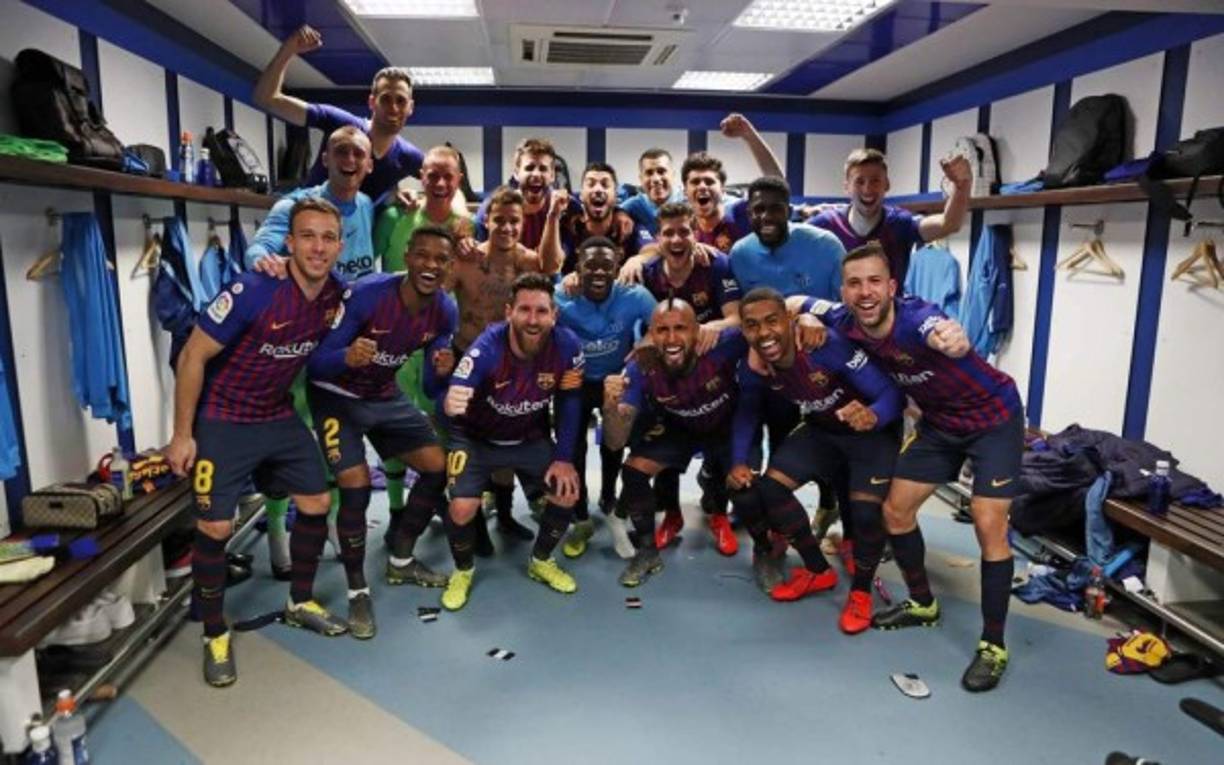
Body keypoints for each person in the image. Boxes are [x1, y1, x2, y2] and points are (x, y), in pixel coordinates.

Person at [810, 241, 1024, 692]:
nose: (864, 292)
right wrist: (806, 317)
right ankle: (923, 604)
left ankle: (993, 644)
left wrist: (955, 338)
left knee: (988, 524)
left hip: (994, 419)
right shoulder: (844, 320)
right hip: (940, 426)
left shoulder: (916, 318)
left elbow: (942, 329)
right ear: (843, 292)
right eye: (854, 284)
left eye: (874, 282)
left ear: (892, 287)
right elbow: (798, 303)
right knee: (895, 511)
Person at [164, 198, 349, 688]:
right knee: (217, 527)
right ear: (288, 243)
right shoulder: (252, 288)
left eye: (328, 237)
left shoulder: (336, 297)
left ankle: (299, 599)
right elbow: (190, 357)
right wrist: (182, 435)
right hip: (223, 417)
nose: (318, 247)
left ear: (340, 245)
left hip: (275, 413)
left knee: (315, 502)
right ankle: (213, 632)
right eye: (308, 236)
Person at [304, 225, 459, 639]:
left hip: (382, 395)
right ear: (407, 257)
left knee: (436, 466)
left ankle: (401, 560)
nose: (430, 265)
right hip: (335, 394)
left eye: (440, 260)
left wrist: (442, 372)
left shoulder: (445, 310)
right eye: (423, 256)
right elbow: (316, 364)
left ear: (449, 266)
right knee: (354, 485)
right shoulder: (368, 293)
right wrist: (346, 356)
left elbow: (429, 387)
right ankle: (357, 590)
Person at [732, 288, 902, 634]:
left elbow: (891, 394)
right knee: (770, 488)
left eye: (771, 321)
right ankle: (817, 570)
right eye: (752, 326)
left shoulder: (825, 344)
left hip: (872, 431)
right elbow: (747, 413)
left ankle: (860, 593)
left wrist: (873, 415)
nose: (764, 333)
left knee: (867, 511)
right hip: (824, 429)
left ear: (789, 320)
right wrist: (737, 459)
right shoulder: (753, 365)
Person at [438, 273, 585, 610]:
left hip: (528, 436)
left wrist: (563, 458)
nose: (533, 320)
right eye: (524, 310)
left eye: (541, 311)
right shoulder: (487, 347)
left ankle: (541, 561)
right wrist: (451, 401)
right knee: (462, 508)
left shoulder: (568, 347)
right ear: (509, 312)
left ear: (554, 315)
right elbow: (459, 385)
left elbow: (571, 403)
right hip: (475, 438)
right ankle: (462, 571)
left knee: (567, 492)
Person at [601, 300, 755, 586]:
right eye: (662, 330)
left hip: (726, 426)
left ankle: (725, 521)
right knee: (633, 471)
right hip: (680, 428)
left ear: (697, 330)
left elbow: (766, 323)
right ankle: (648, 551)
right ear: (651, 335)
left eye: (681, 328)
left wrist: (811, 320)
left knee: (747, 486)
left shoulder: (722, 343)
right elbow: (614, 441)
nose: (671, 339)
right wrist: (610, 405)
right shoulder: (641, 366)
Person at [450, 186, 554, 540]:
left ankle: (506, 515)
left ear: (523, 223)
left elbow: (553, 266)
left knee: (508, 443)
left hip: (514, 368)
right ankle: (474, 522)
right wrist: (437, 346)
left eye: (514, 221)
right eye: (499, 221)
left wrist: (553, 217)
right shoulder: (466, 259)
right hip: (469, 361)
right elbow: (434, 297)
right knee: (475, 444)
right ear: (486, 221)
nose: (507, 228)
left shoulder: (527, 261)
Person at [638, 201, 743, 551]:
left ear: (695, 232)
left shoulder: (715, 265)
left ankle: (718, 513)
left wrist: (713, 326)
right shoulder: (648, 274)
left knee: (719, 445)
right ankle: (671, 514)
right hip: (667, 376)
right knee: (666, 442)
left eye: (684, 230)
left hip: (713, 368)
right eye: (668, 232)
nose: (677, 238)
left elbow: (737, 319)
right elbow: (642, 331)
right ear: (658, 238)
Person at [554, 237, 657, 558]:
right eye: (590, 266)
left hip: (615, 381)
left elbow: (661, 327)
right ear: (578, 268)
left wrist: (643, 348)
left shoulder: (635, 295)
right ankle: (580, 513)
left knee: (614, 443)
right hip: (575, 381)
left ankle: (609, 497)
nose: (598, 273)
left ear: (617, 267)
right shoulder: (561, 295)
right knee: (573, 447)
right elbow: (540, 332)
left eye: (606, 266)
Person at [254, 24, 423, 203]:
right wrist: (288, 49)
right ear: (372, 102)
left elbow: (453, 181)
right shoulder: (340, 123)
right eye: (386, 99)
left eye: (401, 101)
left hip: (353, 230)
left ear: (410, 107)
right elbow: (266, 98)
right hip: (306, 222)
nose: (394, 108)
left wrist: (400, 192)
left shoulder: (407, 156)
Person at [806, 148, 970, 286]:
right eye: (859, 181)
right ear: (846, 187)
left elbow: (948, 224)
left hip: (889, 321)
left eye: (875, 181)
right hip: (838, 320)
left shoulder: (899, 223)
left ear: (887, 185)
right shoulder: (825, 225)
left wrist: (962, 187)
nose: (867, 189)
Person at [245, 125, 376, 281]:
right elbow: (257, 250)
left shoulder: (366, 204)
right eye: (341, 152)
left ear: (369, 165)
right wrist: (265, 263)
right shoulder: (294, 205)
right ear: (326, 160)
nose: (350, 159)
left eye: (358, 153)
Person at [685, 113, 784, 251]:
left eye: (709, 181)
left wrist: (749, 136)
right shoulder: (684, 231)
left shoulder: (742, 214)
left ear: (723, 189)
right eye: (695, 182)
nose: (702, 186)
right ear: (685, 191)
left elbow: (777, 186)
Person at [540, 162, 652, 275]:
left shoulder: (627, 225)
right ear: (581, 195)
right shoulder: (570, 224)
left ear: (615, 196)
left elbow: (654, 250)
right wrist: (553, 215)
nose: (598, 189)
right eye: (591, 184)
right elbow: (549, 268)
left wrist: (638, 259)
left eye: (605, 184)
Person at [473, 137, 580, 250]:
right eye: (529, 168)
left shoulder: (569, 207)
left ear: (552, 175)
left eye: (543, 169)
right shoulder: (493, 207)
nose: (536, 174)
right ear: (516, 172)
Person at [620, 148, 685, 235]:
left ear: (673, 175)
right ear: (641, 178)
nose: (656, 179)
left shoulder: (688, 203)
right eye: (649, 173)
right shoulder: (634, 206)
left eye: (661, 171)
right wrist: (619, 215)